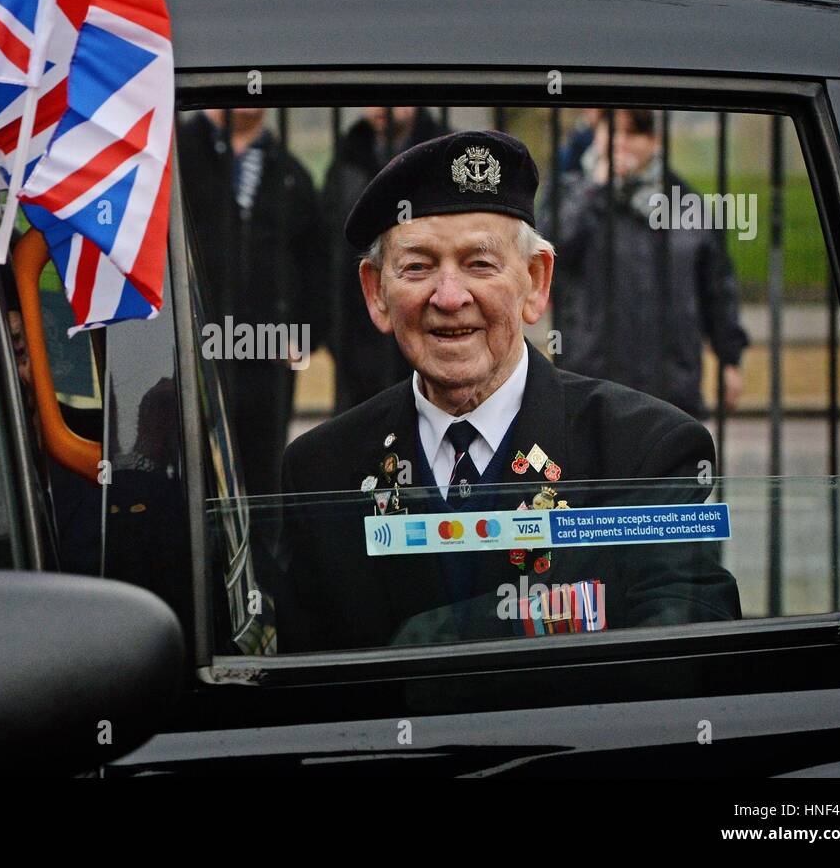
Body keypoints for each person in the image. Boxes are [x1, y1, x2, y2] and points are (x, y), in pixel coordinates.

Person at [276, 129, 741, 653]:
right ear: (375, 293)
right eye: (418, 267)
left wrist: (453, 635)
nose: (449, 298)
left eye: (480, 264)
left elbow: (688, 642)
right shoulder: (321, 469)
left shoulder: (645, 450)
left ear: (536, 283)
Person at [542, 109, 748, 418]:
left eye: (634, 133)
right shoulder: (572, 193)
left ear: (655, 140)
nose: (621, 143)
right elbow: (551, 249)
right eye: (612, 132)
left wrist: (729, 358)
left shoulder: (686, 203)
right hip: (590, 379)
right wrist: (596, 190)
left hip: (670, 386)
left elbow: (716, 285)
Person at [176, 108, 327, 497]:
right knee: (189, 478)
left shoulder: (289, 172)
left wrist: (302, 342)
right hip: (188, 354)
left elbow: (318, 267)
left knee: (261, 486)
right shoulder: (175, 154)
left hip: (266, 357)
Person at [323, 107, 444, 412]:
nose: (379, 107)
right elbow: (328, 253)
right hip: (358, 341)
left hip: (431, 326)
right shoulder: (346, 161)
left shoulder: (443, 155)